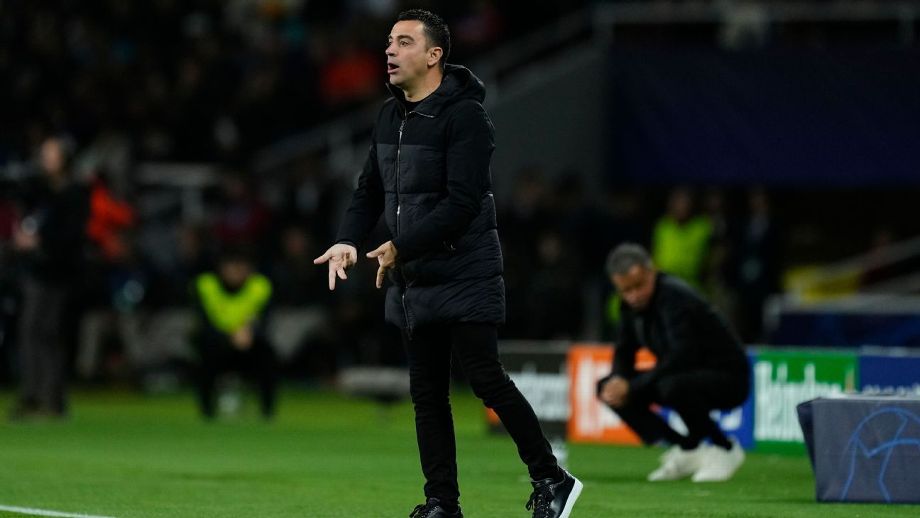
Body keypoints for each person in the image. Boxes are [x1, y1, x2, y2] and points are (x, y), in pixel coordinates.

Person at [313, 10, 580, 518]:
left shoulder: (466, 117)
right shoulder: (388, 116)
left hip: (465, 270)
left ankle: (552, 478)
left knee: (485, 378)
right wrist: (348, 239)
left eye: (404, 42)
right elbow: (369, 190)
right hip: (415, 275)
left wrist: (400, 246)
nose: (389, 51)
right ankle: (442, 504)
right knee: (427, 394)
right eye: (389, 42)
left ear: (434, 55)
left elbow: (461, 203)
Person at [597, 243, 749, 482]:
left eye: (638, 286)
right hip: (681, 374)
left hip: (729, 377)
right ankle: (688, 449)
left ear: (652, 272)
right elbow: (624, 350)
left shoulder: (675, 297)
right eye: (625, 290)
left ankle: (725, 448)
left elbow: (683, 356)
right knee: (605, 388)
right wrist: (619, 380)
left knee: (671, 385)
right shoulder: (629, 306)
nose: (633, 295)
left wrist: (632, 386)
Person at [9, 136, 89, 420]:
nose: (46, 159)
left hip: (59, 272)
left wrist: (40, 241)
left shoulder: (75, 192)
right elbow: (25, 213)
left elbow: (73, 235)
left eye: (52, 154)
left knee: (47, 332)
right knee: (34, 331)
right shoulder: (39, 189)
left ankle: (49, 397)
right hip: (37, 270)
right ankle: (37, 395)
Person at [191, 248, 278, 420]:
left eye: (241, 266)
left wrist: (251, 332)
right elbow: (201, 322)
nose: (236, 271)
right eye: (231, 266)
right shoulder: (205, 285)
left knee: (267, 353)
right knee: (205, 349)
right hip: (218, 343)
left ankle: (267, 412)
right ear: (221, 268)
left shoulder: (260, 286)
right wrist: (229, 336)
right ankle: (207, 412)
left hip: (249, 343)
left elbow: (266, 321)